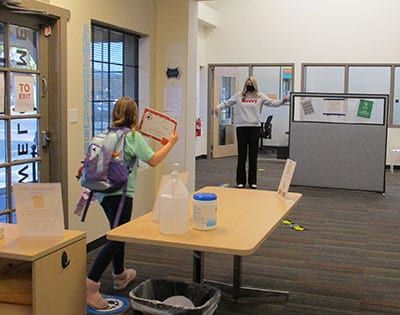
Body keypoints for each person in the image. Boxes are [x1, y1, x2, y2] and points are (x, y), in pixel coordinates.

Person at [86, 97, 179, 309]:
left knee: (118, 232)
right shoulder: (133, 137)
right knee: (117, 238)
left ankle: (119, 275)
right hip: (121, 194)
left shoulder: (104, 134)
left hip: (102, 193)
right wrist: (172, 143)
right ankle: (91, 283)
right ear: (134, 116)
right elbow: (153, 160)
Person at [214, 76, 289, 189]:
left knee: (253, 156)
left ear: (254, 85)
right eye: (248, 83)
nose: (249, 85)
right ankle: (241, 181)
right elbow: (227, 103)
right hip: (241, 127)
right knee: (242, 156)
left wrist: (283, 101)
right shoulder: (239, 96)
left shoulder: (260, 96)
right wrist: (218, 107)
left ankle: (253, 181)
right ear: (245, 84)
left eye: (251, 83)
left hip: (254, 127)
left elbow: (273, 103)